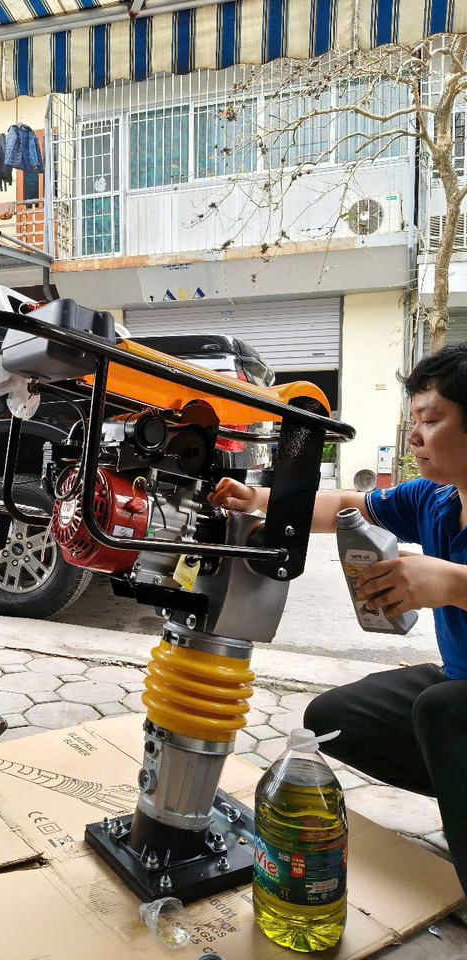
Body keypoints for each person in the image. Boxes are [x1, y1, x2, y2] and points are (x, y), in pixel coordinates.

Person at [209, 341, 467, 897]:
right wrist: (259, 499)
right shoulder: (435, 499)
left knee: (443, 710)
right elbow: (344, 507)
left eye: (431, 420)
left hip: (456, 699)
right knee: (333, 717)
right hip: (459, 681)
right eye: (414, 421)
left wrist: (451, 583)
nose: (415, 437)